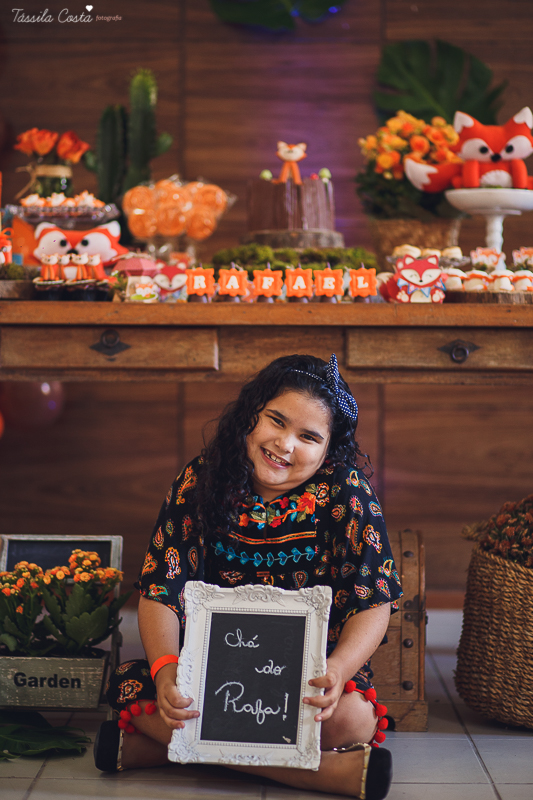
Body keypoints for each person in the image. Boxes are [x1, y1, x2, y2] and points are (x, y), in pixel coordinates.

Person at [95, 354, 403, 799]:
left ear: (329, 450)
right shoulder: (199, 480)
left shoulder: (346, 492)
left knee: (353, 719)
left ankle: (165, 750)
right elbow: (160, 589)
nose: (285, 444)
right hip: (207, 676)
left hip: (308, 677)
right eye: (276, 420)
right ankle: (322, 774)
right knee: (135, 689)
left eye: (308, 437)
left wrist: (338, 669)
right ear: (250, 415)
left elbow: (374, 601)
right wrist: (166, 671)